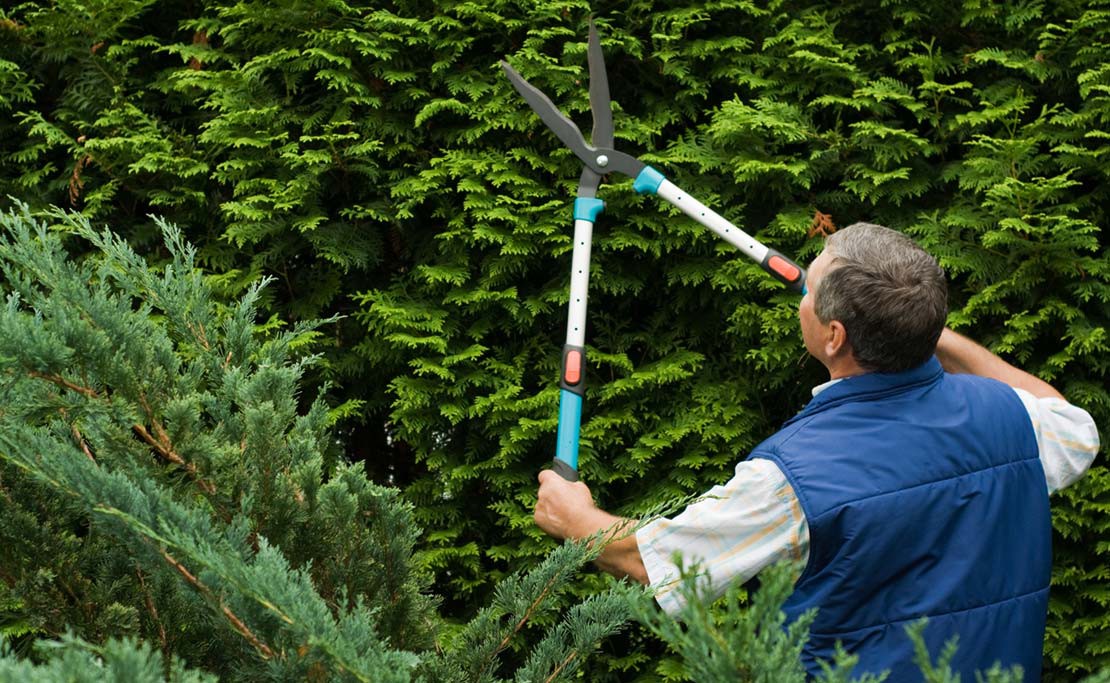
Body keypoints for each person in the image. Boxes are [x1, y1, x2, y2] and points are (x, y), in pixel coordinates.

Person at [533, 222, 1099, 680]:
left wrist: (576, 519)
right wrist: (919, 326)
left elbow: (654, 561)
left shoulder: (793, 478)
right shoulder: (1014, 419)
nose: (799, 298)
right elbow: (1066, 418)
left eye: (809, 291)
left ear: (834, 337)